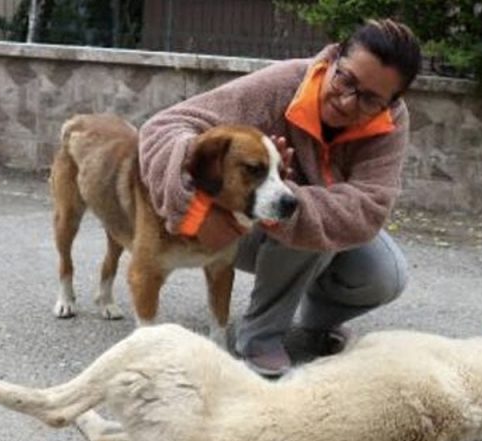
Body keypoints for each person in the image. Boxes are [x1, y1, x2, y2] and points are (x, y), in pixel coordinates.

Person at [138, 19, 422, 376]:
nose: (348, 101)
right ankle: (259, 337)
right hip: (243, 229)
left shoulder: (392, 125)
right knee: (298, 217)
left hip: (297, 226)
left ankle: (314, 323)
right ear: (332, 59)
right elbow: (162, 128)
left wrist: (286, 195)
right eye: (345, 79)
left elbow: (367, 208)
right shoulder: (283, 83)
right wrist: (196, 211)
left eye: (369, 99)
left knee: (386, 275)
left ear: (392, 103)